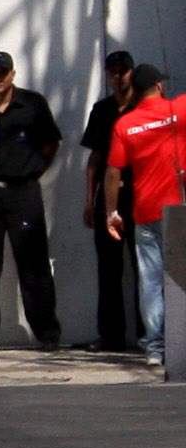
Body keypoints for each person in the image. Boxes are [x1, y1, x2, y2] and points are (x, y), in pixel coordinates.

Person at [0, 48, 65, 352]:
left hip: (24, 193)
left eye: (3, 72)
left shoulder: (32, 104)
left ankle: (46, 332)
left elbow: (50, 144)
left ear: (13, 74)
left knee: (33, 263)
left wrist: (30, 171)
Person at [107, 64, 185, 365]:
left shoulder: (125, 124)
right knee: (181, 278)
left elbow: (113, 172)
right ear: (160, 87)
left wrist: (111, 212)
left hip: (146, 212)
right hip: (179, 210)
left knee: (151, 282)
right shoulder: (179, 109)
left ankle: (156, 348)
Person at [86, 49, 142, 352]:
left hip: (137, 193)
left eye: (122, 70)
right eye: (112, 71)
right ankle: (111, 334)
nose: (117, 76)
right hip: (107, 197)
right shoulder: (102, 109)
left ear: (132, 73)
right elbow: (94, 159)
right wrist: (88, 200)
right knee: (108, 268)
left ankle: (150, 335)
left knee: (144, 265)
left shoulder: (142, 109)